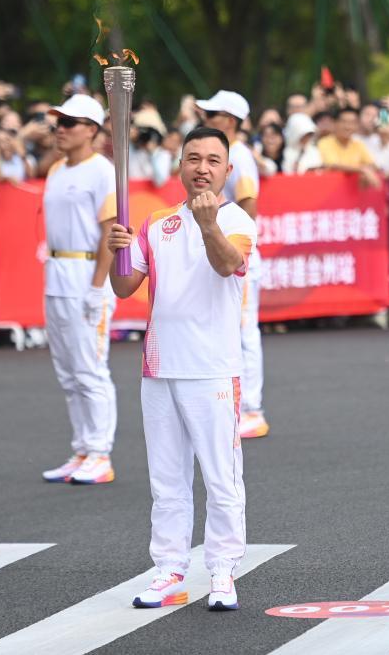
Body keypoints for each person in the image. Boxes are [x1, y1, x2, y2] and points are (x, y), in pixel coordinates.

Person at [107, 126, 256, 611]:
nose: (202, 168)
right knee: (166, 479)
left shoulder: (237, 221)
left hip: (212, 369)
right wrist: (116, 251)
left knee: (220, 477)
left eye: (213, 160)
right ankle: (169, 569)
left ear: (227, 170)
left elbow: (227, 265)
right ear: (180, 165)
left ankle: (222, 570)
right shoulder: (157, 223)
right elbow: (124, 286)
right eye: (193, 158)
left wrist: (208, 225)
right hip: (160, 368)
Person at [39, 94, 119, 485]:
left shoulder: (102, 171)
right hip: (56, 273)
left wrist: (97, 288)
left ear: (91, 130)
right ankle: (83, 448)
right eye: (58, 122)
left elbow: (109, 233)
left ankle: (101, 453)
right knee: (68, 373)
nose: (61, 129)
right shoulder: (56, 170)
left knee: (90, 369)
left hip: (87, 274)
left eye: (69, 123)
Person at [196, 90, 270, 439]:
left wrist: (237, 245)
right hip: (221, 252)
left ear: (229, 120)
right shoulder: (225, 153)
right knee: (226, 330)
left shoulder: (238, 155)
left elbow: (248, 203)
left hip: (238, 255)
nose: (205, 120)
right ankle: (233, 405)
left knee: (243, 332)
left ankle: (252, 409)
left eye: (211, 115)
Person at [317, 107, 382, 187]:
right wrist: (362, 170)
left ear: (357, 126)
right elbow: (332, 165)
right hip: (330, 189)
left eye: (352, 123)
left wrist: (366, 172)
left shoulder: (358, 144)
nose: (348, 127)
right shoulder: (325, 142)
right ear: (335, 123)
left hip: (352, 191)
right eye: (343, 122)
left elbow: (373, 165)